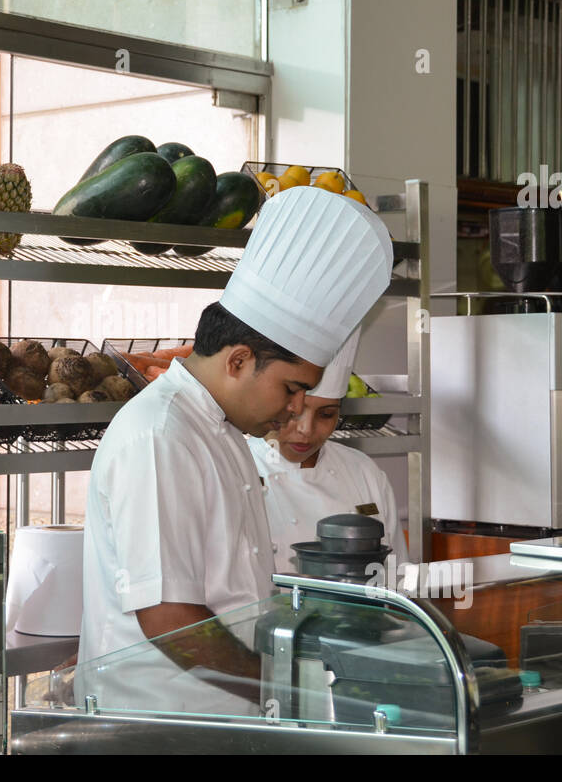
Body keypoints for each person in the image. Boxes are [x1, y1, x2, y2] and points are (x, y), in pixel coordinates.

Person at [76, 187, 393, 715]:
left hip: (223, 719)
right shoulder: (160, 434)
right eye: (291, 389)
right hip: (161, 728)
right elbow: (169, 617)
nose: (295, 411)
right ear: (239, 360)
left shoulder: (221, 430)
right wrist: (280, 690)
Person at [248, 328, 410, 576]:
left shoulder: (362, 470)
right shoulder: (238, 466)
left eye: (326, 414)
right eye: (295, 412)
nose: (306, 430)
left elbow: (396, 575)